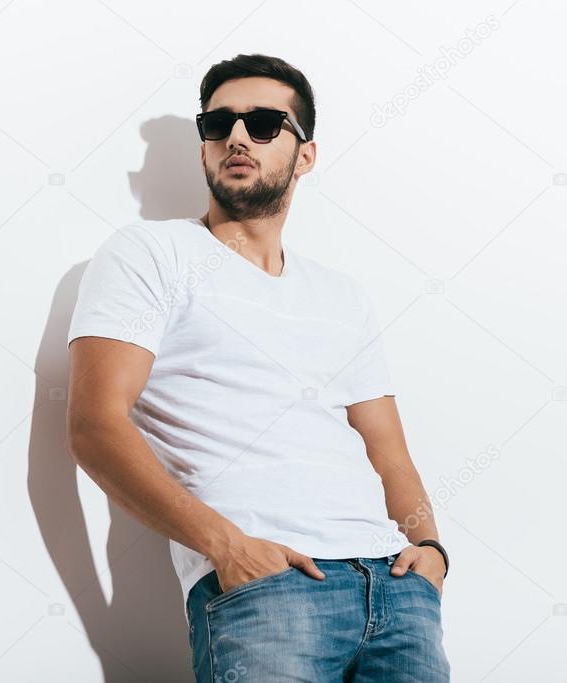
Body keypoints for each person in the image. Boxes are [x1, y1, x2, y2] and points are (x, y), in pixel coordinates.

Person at [65, 53, 450, 682]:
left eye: (266, 123)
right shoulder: (151, 253)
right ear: (204, 150)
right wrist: (226, 548)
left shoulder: (342, 294)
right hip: (267, 587)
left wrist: (430, 553)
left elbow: (388, 450)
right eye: (218, 124)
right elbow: (94, 426)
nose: (237, 137)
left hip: (397, 588)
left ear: (305, 155)